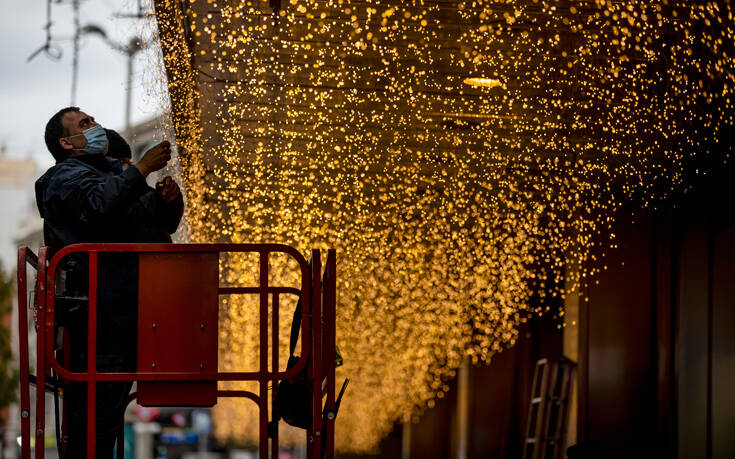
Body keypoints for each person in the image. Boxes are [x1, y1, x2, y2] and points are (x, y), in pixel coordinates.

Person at [35, 107, 184, 457]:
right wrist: (143, 169)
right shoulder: (65, 177)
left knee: (109, 412)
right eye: (84, 124)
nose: (96, 126)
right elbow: (99, 207)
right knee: (93, 418)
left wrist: (168, 202)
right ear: (65, 143)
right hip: (95, 315)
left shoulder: (113, 173)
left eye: (93, 120)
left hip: (127, 307)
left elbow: (154, 222)